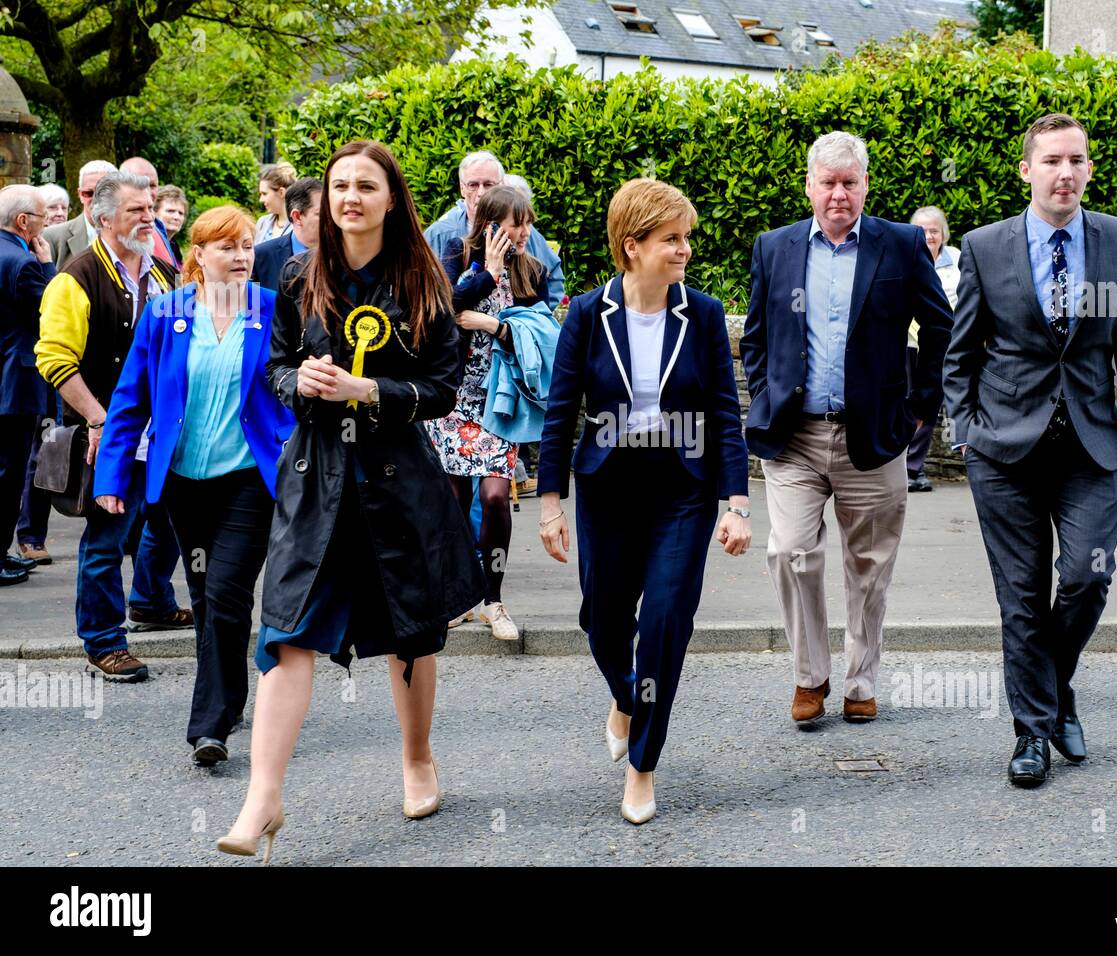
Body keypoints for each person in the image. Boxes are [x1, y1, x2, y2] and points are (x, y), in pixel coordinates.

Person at [217, 140, 482, 863]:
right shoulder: (297, 274)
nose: (351, 198)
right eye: (340, 187)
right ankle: (262, 798)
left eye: (367, 186)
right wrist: (294, 382)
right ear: (324, 199)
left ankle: (418, 757)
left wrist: (370, 391)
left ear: (392, 198)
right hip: (315, 480)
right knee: (286, 631)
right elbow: (271, 365)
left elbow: (443, 390)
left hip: (397, 481)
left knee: (411, 630)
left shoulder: (428, 280)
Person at [944, 113, 1117, 787]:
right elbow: (959, 352)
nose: (1064, 172)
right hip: (1003, 449)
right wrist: (967, 429)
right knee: (1020, 594)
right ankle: (1032, 733)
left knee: (1088, 577)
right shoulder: (985, 247)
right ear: (1027, 171)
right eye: (1051, 161)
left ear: (1088, 169)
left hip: (1091, 446)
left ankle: (1055, 686)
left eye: (1076, 160)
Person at [537, 178, 751, 824]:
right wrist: (550, 503)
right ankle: (625, 699)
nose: (684, 250)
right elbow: (558, 411)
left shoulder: (705, 314)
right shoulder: (586, 314)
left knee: (662, 624)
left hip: (682, 497)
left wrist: (736, 503)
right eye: (670, 240)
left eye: (686, 238)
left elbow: (723, 414)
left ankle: (642, 765)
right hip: (607, 492)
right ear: (631, 247)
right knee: (603, 625)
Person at [741, 131, 953, 728]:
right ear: (810, 185)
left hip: (875, 435)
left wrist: (921, 406)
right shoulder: (774, 248)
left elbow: (941, 327)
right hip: (795, 437)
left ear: (864, 186)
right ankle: (810, 677)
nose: (838, 194)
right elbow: (755, 335)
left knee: (869, 565)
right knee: (790, 552)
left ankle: (861, 680)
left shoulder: (902, 245)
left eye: (849, 182)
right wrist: (765, 393)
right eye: (828, 182)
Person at [94, 205, 295, 766]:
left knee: (227, 592)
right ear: (198, 256)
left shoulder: (272, 310)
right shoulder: (165, 314)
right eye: (227, 247)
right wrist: (111, 477)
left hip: (248, 482)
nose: (240, 257)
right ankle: (229, 699)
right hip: (183, 484)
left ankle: (209, 726)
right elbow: (130, 400)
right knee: (208, 598)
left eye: (248, 246)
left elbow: (293, 386)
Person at [35, 170, 191, 683]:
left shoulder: (164, 275)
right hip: (112, 432)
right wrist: (101, 420)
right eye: (137, 212)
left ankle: (150, 601)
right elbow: (55, 359)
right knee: (107, 537)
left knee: (168, 524)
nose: (149, 218)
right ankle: (103, 639)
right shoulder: (74, 278)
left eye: (150, 209)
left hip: (165, 431)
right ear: (104, 220)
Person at [430, 184, 550, 640]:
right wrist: (488, 272)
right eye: (517, 223)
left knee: (496, 496)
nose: (524, 232)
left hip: (500, 399)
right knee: (456, 500)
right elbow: (441, 310)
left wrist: (494, 325)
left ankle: (493, 600)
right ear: (492, 224)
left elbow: (538, 332)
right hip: (453, 398)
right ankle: (460, 599)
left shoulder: (532, 270)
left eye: (527, 223)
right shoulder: (457, 253)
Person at [422, 150, 565, 309]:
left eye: (488, 184)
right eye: (473, 185)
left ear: (502, 186)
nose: (481, 193)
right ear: (462, 188)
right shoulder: (443, 236)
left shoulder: (531, 256)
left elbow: (551, 287)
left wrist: (506, 327)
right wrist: (490, 275)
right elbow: (438, 300)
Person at [0, 185, 56, 586]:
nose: (45, 225)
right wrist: (48, 265)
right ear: (23, 222)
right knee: (9, 474)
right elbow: (50, 315)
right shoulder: (23, 263)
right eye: (41, 218)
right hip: (15, 384)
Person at [906, 205, 961, 492]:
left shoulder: (957, 259)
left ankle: (914, 469)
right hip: (909, 343)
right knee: (905, 402)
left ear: (943, 234)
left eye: (934, 230)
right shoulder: (904, 255)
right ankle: (898, 466)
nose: (929, 236)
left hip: (945, 344)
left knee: (929, 405)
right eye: (923, 230)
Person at [43, 160, 116, 269]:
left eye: (103, 192)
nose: (96, 199)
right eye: (89, 193)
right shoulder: (52, 237)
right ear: (80, 195)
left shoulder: (131, 235)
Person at [252, 177, 322, 289]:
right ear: (297, 217)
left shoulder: (344, 255)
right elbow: (254, 304)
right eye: (321, 213)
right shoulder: (261, 257)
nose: (330, 218)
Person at [120, 157, 181, 270]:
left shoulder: (158, 226)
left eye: (152, 185)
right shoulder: (117, 230)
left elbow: (172, 272)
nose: (146, 191)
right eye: (140, 184)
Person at [254, 163, 295, 245]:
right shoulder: (262, 222)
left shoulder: (297, 227)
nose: (261, 200)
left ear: (281, 192)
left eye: (264, 194)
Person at [155, 185, 188, 263]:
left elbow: (175, 274)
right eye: (170, 211)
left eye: (181, 213)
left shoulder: (174, 248)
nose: (176, 217)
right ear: (154, 213)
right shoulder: (148, 244)